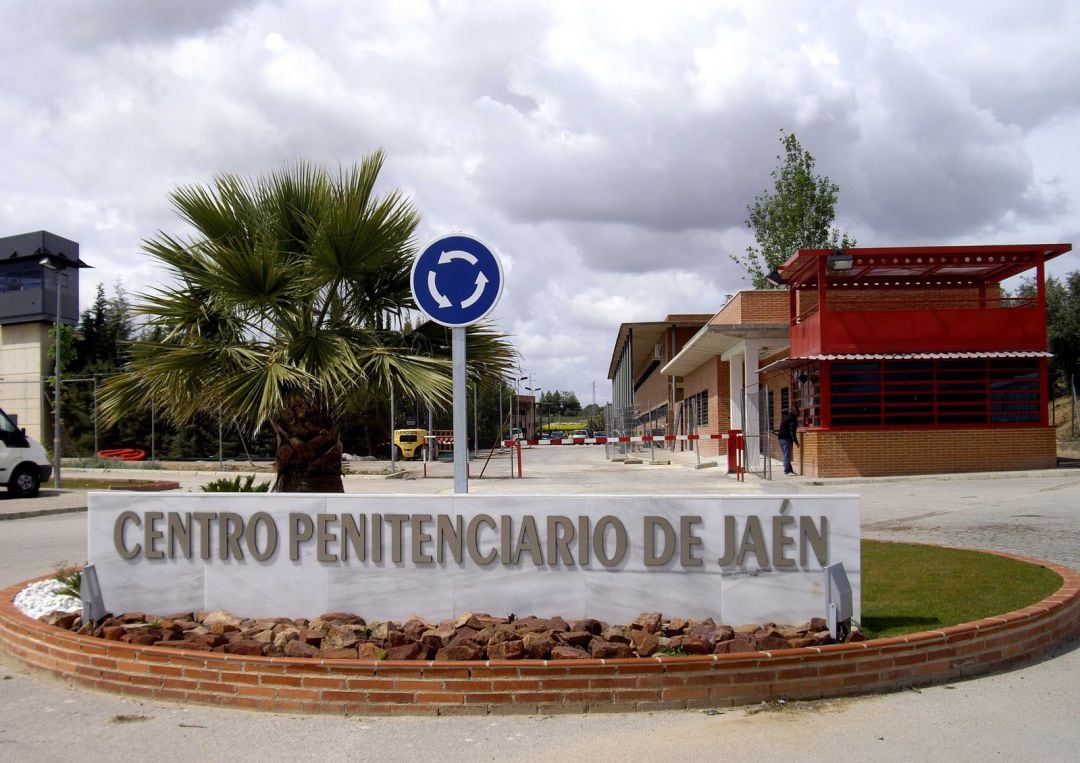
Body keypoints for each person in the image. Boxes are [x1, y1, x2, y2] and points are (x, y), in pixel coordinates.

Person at [777, 407, 799, 475]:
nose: (799, 412)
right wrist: (796, 442)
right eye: (797, 411)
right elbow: (792, 431)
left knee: (786, 455)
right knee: (787, 455)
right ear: (794, 411)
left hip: (781, 438)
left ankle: (790, 470)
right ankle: (787, 471)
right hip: (786, 438)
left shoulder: (786, 417)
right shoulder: (792, 418)